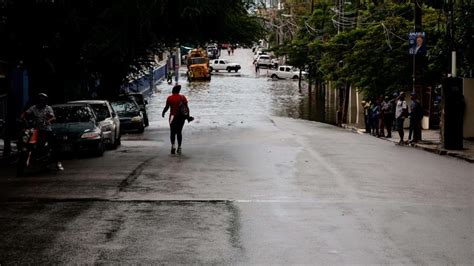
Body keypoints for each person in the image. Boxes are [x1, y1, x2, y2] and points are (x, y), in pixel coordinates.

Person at [22, 93, 63, 170]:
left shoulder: (48, 108)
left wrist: (48, 121)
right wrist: (22, 118)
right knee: (27, 141)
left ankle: (58, 162)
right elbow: (25, 114)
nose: (41, 102)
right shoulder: (33, 108)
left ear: (45, 101)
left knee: (55, 144)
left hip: (46, 129)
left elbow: (53, 117)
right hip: (36, 130)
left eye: (42, 100)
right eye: (40, 100)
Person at [162, 85, 193, 155]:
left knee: (172, 132)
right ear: (179, 91)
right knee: (179, 132)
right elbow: (186, 108)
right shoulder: (182, 97)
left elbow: (166, 107)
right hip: (181, 117)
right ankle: (179, 147)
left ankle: (173, 146)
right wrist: (188, 117)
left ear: (173, 91)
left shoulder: (169, 98)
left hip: (172, 117)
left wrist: (163, 112)